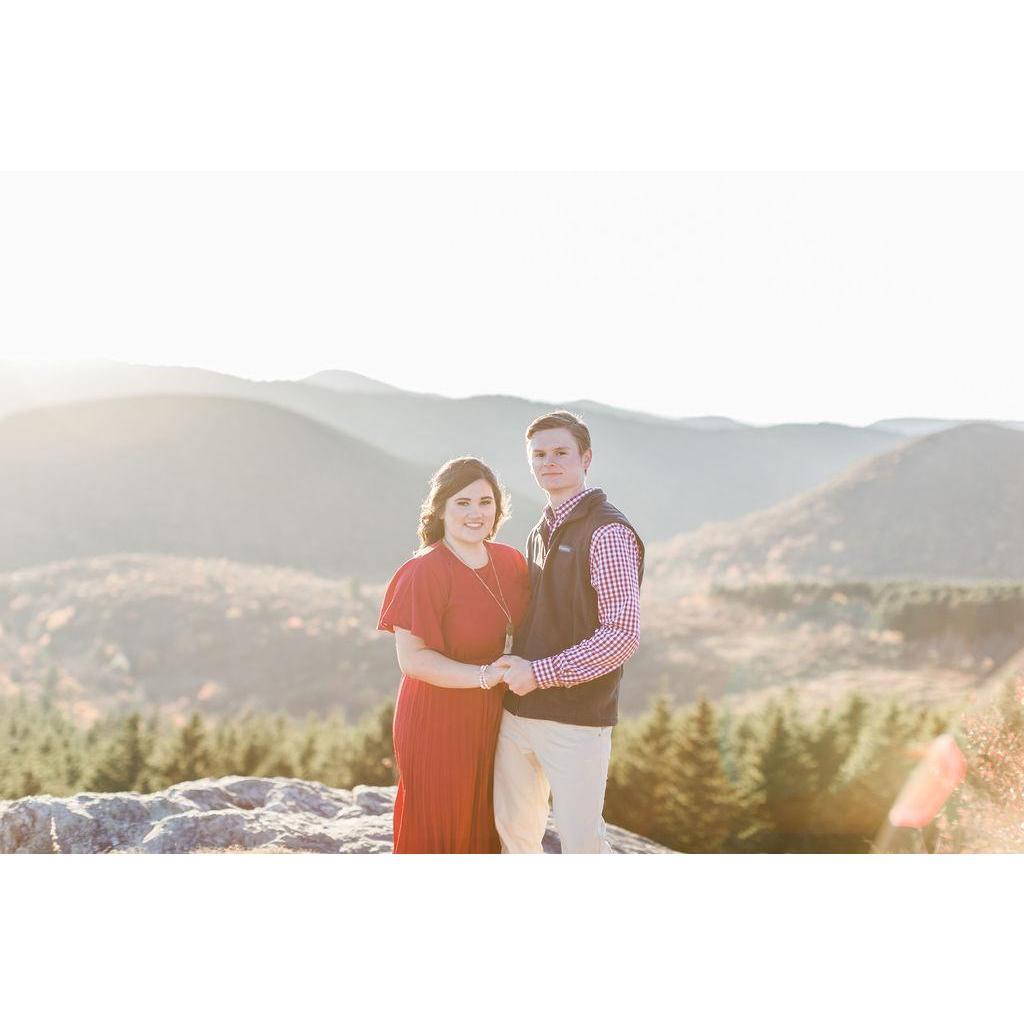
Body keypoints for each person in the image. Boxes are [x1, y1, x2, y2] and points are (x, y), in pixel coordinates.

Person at [491, 411, 644, 854]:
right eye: (538, 454)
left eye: (561, 452)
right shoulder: (539, 531)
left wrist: (539, 672)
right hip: (518, 713)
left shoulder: (608, 531)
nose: (548, 462)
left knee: (581, 845)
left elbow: (622, 634)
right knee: (515, 837)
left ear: (586, 458)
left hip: (576, 720)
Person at [376, 456, 530, 853]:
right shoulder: (424, 571)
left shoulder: (510, 562)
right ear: (440, 509)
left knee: (484, 824)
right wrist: (484, 676)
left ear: (498, 509)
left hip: (493, 716)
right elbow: (413, 660)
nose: (475, 513)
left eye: (485, 502)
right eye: (462, 503)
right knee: (441, 825)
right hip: (436, 718)